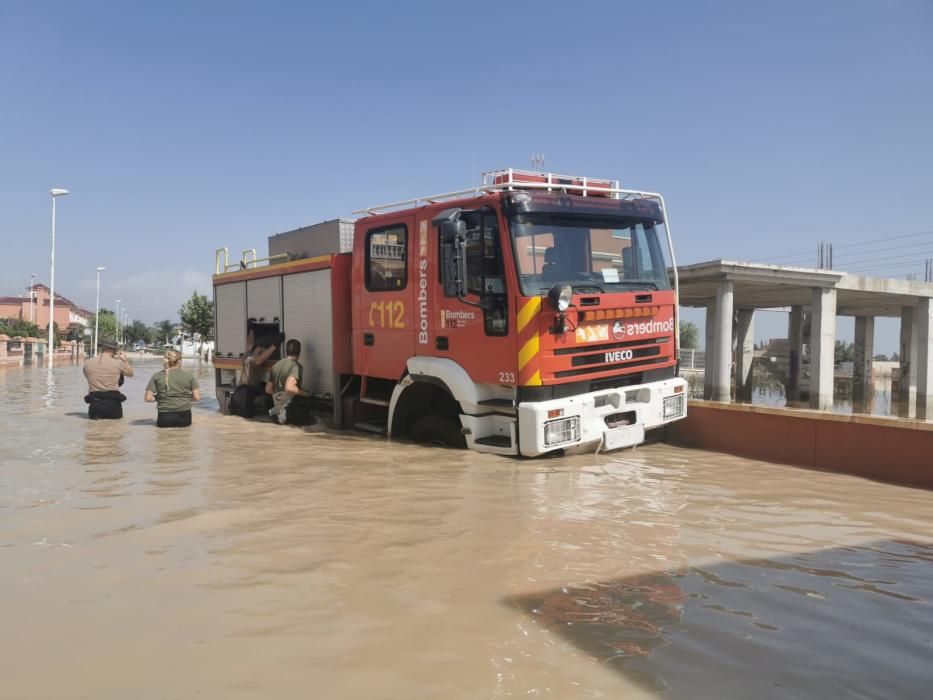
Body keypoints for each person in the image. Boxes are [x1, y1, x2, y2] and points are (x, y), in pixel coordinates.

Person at [145, 349, 201, 428]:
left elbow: (148, 398)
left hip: (164, 418)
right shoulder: (189, 375)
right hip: (184, 418)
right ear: (179, 361)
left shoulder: (157, 376)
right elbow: (197, 397)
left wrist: (159, 397)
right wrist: (185, 398)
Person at [229, 329, 277, 418]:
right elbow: (263, 357)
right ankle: (272, 413)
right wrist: (274, 346)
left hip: (240, 390)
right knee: (269, 389)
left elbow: (249, 345)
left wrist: (251, 330)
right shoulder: (255, 360)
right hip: (249, 390)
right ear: (263, 349)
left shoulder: (246, 355)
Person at [265, 339, 314, 425]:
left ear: (286, 351)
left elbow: (268, 389)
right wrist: (306, 393)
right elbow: (289, 388)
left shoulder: (276, 365)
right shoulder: (296, 366)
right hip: (290, 412)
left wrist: (280, 396)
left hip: (276, 414)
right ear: (299, 352)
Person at [82, 337, 134, 419]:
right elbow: (131, 374)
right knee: (114, 429)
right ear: (114, 349)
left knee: (93, 430)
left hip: (95, 404)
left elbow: (87, 377)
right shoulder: (118, 363)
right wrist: (125, 360)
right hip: (113, 405)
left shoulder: (87, 363)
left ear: (101, 348)